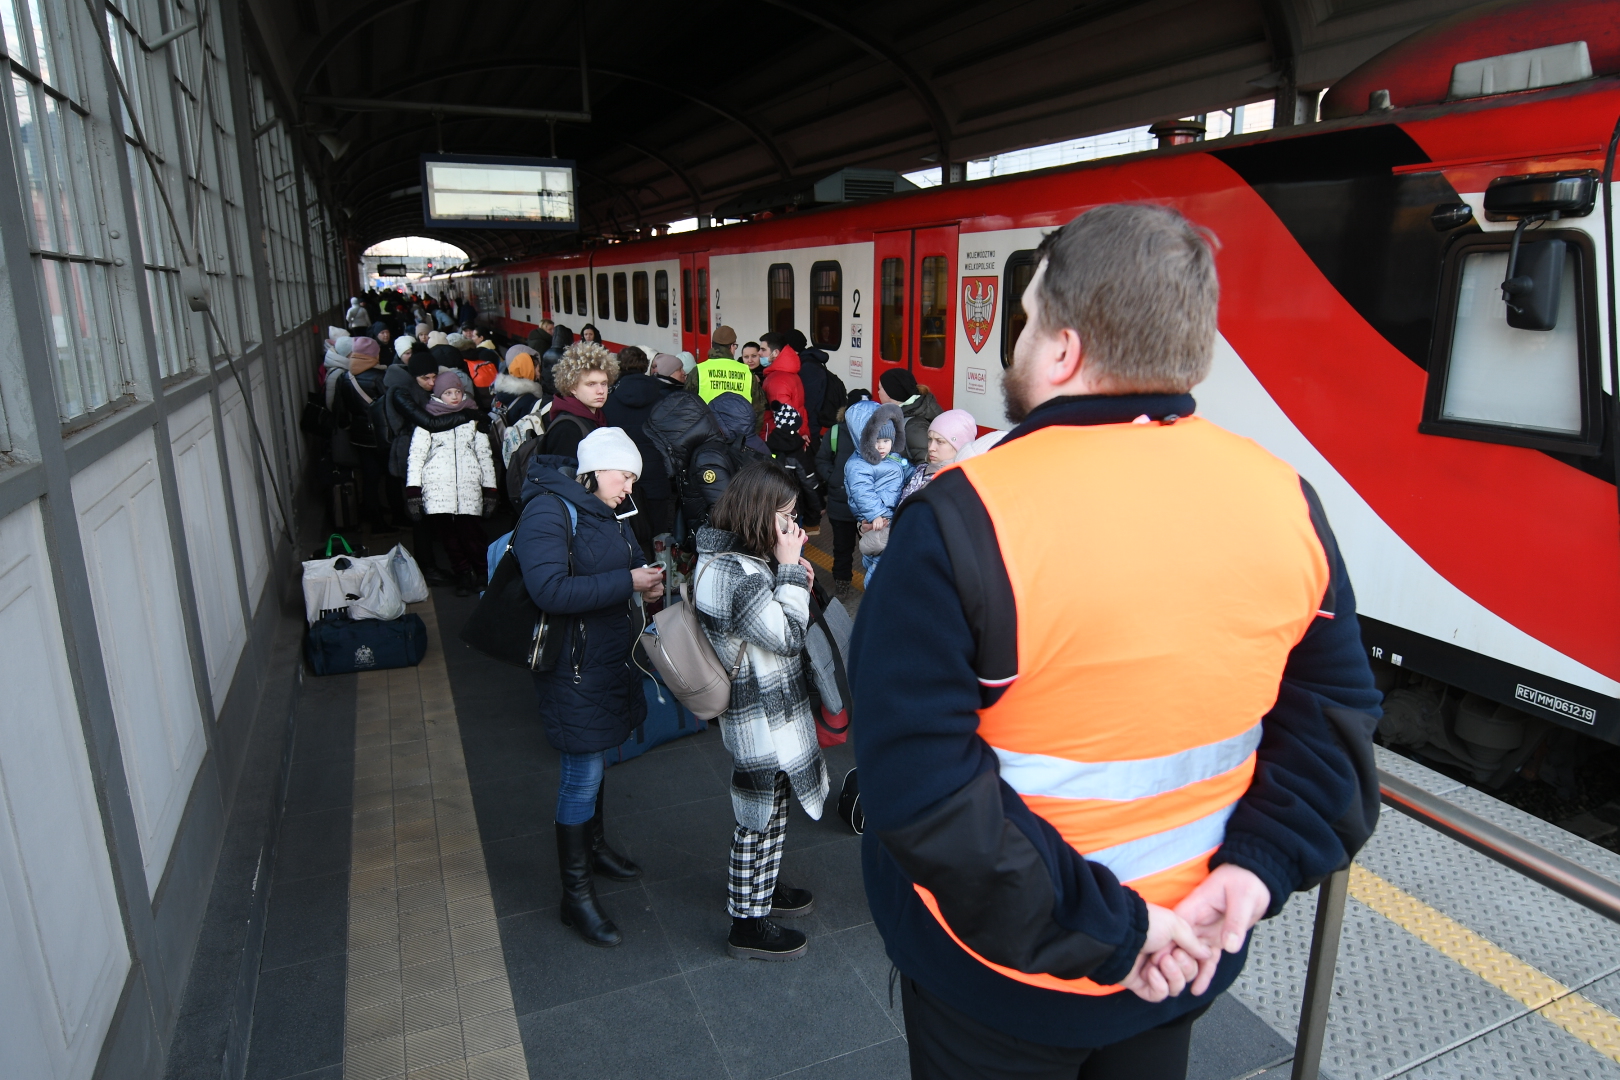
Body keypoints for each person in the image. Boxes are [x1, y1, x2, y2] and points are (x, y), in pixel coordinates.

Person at [849, 204, 1381, 1080]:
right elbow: (1337, 718)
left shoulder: (960, 518)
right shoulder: (1286, 500)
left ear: (1062, 349)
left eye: (1022, 325)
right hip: (1187, 958)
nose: (1015, 345)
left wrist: (1117, 935)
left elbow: (921, 790)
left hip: (1001, 982)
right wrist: (1254, 873)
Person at [513, 427, 664, 948]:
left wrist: (645, 577)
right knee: (582, 770)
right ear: (598, 468)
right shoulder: (550, 510)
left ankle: (594, 849)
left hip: (604, 658)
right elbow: (549, 589)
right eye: (625, 475)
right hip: (572, 664)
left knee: (598, 755)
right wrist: (630, 582)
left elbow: (621, 562)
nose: (629, 488)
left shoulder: (605, 507)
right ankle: (573, 897)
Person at [693, 462, 827, 961]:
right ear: (758, 513)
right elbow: (788, 637)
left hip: (764, 708)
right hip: (759, 715)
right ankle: (747, 922)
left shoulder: (726, 556)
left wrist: (787, 573)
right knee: (758, 815)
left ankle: (762, 888)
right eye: (787, 517)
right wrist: (791, 571)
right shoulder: (735, 574)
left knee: (771, 806)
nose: (794, 528)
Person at [404, 373, 497, 595]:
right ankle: (463, 574)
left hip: (469, 488)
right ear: (438, 395)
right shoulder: (427, 421)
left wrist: (490, 489)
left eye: (458, 392)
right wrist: (413, 491)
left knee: (472, 535)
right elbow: (416, 457)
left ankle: (482, 573)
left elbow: (485, 456)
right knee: (450, 537)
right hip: (437, 491)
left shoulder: (474, 420)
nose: (454, 397)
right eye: (448, 393)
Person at [380, 343, 462, 585]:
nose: (431, 382)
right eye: (425, 377)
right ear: (413, 376)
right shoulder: (400, 392)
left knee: (428, 511)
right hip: (410, 457)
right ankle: (426, 567)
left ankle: (431, 558)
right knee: (420, 514)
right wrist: (464, 415)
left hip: (427, 456)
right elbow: (427, 421)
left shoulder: (417, 390)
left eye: (434, 376)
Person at [603, 346, 676, 550]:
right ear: (646, 366)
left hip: (623, 476)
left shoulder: (608, 400)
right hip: (656, 472)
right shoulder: (663, 398)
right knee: (659, 532)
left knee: (629, 529)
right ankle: (659, 571)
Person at [842, 401, 908, 582]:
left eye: (886, 441)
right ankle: (874, 594)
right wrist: (876, 514)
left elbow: (904, 470)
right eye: (875, 441)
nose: (881, 447)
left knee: (881, 558)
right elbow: (862, 492)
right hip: (879, 519)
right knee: (878, 562)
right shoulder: (858, 465)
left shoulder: (892, 458)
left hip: (889, 516)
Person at [814, 389, 868, 596]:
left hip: (867, 505)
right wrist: (836, 478)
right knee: (842, 549)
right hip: (841, 501)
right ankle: (842, 583)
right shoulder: (836, 432)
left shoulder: (878, 433)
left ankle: (874, 585)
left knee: (872, 548)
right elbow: (822, 459)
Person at [544, 341, 617, 462]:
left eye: (604, 383)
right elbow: (563, 477)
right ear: (572, 387)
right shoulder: (567, 428)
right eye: (591, 384)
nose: (601, 391)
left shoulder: (597, 416)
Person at [898, 408, 976, 501]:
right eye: (930, 439)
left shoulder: (959, 484)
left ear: (959, 445)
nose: (931, 448)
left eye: (940, 442)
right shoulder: (923, 469)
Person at [764, 403, 822, 525]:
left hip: (770, 504)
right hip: (792, 506)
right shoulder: (797, 452)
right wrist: (816, 510)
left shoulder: (768, 444)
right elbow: (809, 484)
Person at [688, 325, 762, 417]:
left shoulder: (698, 370)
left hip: (706, 428)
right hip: (739, 429)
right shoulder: (746, 372)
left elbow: (687, 405)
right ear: (731, 346)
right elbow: (758, 408)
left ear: (713, 345)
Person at [878, 368, 943, 466]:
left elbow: (927, 465)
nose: (878, 392)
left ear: (890, 392)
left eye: (880, 388)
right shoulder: (902, 415)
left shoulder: (914, 425)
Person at [758, 333, 807, 447]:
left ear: (775, 353)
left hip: (777, 440)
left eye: (763, 349)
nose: (759, 353)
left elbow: (784, 417)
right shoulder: (790, 374)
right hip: (793, 437)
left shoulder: (777, 380)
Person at [492, 349, 544, 425]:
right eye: (538, 370)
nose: (539, 374)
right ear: (529, 370)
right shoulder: (529, 399)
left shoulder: (502, 391)